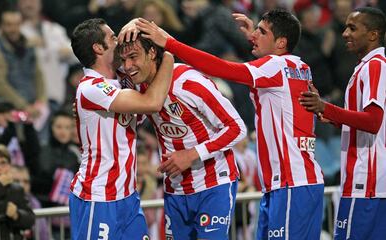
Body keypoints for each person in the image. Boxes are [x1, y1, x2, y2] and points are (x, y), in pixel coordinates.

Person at [123, 8, 325, 239]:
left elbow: (221, 71)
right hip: (284, 181)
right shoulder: (298, 68)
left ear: (280, 43)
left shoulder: (272, 68)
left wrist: (170, 44)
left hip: (282, 181)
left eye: (261, 31)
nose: (252, 35)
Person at [116, 34, 246, 239]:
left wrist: (192, 154)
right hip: (175, 188)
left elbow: (237, 128)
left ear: (152, 53)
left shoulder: (189, 82)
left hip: (213, 184)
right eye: (124, 60)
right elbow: (131, 120)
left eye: (134, 57)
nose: (128, 65)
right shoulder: (137, 86)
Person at [69, 18, 173, 240]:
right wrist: (169, 56)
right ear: (98, 48)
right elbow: (152, 102)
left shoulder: (123, 80)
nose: (120, 41)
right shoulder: (90, 88)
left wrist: (137, 22)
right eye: (113, 37)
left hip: (127, 195)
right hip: (98, 195)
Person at [299, 7, 386, 240]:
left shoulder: (375, 65)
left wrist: (326, 107)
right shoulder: (366, 67)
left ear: (373, 35)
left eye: (353, 28)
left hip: (366, 181)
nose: (345, 33)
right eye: (346, 27)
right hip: (371, 182)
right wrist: (334, 117)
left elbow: (374, 121)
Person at [10, 165, 49, 240]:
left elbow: (44, 235)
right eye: (16, 181)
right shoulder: (1, 202)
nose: (22, 185)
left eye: (26, 182)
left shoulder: (34, 203)